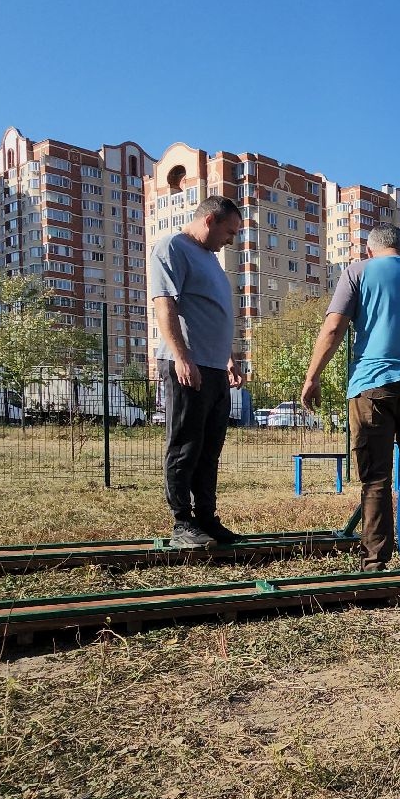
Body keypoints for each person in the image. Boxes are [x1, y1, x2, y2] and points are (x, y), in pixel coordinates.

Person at [300, 224, 400, 570]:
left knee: (376, 476)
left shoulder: (357, 272)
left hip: (371, 387)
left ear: (370, 250)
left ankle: (375, 561)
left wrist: (313, 376)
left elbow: (333, 327)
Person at [149, 195, 244, 549]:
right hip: (187, 365)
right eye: (229, 232)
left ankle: (206, 518)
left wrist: (230, 357)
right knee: (186, 445)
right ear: (209, 221)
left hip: (215, 367)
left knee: (209, 448)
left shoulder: (209, 259)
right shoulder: (172, 247)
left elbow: (212, 312)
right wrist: (182, 357)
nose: (231, 240)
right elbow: (165, 305)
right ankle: (182, 523)